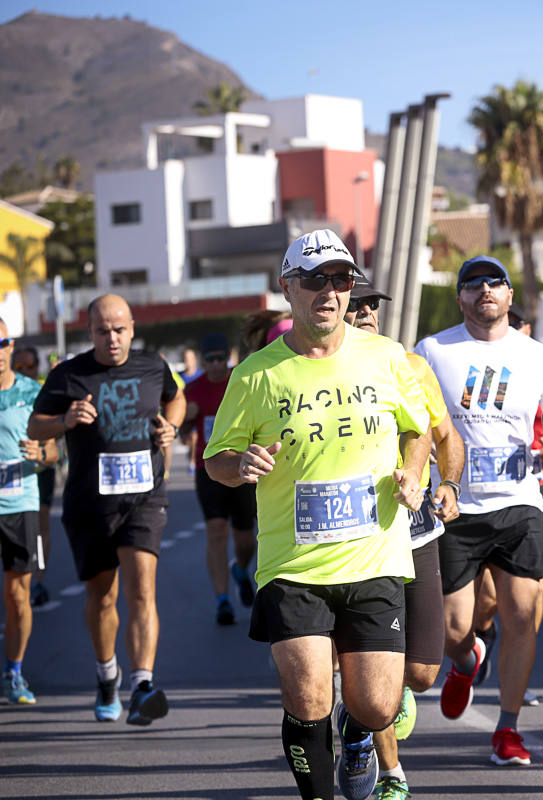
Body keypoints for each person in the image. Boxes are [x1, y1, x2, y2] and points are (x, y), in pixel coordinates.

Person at [204, 229, 432, 800]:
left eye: (341, 280)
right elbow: (216, 460)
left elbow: (419, 429)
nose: (330, 292)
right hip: (294, 564)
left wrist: (413, 471)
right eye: (315, 280)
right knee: (308, 699)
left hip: (374, 555)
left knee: (377, 704)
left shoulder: (385, 357)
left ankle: (358, 734)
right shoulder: (255, 374)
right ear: (288, 288)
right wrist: (242, 462)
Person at [413, 254, 543, 767]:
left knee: (523, 616)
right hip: (455, 507)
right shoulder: (432, 351)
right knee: (455, 630)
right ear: (460, 298)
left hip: (520, 504)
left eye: (494, 282)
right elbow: (415, 425)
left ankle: (508, 728)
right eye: (472, 285)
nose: (484, 291)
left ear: (509, 296)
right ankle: (466, 660)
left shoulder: (539, 355)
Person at [29, 293, 185, 725]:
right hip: (89, 504)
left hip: (144, 498)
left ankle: (141, 684)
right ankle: (106, 675)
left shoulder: (153, 365)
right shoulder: (69, 374)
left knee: (142, 591)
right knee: (103, 599)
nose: (112, 338)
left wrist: (170, 426)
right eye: (102, 331)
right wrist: (63, 421)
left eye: (119, 330)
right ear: (90, 332)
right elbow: (34, 424)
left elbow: (176, 398)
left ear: (132, 328)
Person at [342, 278, 466, 800]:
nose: (367, 311)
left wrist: (451, 484)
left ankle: (379, 705)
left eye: (373, 304)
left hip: (414, 531)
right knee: (374, 674)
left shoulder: (409, 365)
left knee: (419, 672)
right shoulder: (311, 370)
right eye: (358, 304)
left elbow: (444, 436)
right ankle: (386, 766)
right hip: (354, 539)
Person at [471, 305, 543, 706]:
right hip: (481, 494)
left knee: (533, 597)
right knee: (488, 597)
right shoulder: (482, 371)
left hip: (533, 492)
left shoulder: (539, 368)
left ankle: (517, 673)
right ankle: (482, 635)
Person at [183, 332, 257, 625]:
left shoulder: (240, 381)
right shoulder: (195, 389)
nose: (216, 365)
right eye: (210, 359)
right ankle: (222, 600)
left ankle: (240, 569)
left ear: (229, 356)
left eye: (220, 358)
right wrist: (188, 418)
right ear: (203, 360)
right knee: (215, 532)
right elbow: (182, 429)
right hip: (208, 469)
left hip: (240, 467)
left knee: (245, 539)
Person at [1, 327, 58, 705]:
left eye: (2, 342)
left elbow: (53, 451)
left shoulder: (31, 392)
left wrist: (41, 455)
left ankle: (15, 671)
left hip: (20, 505)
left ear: (11, 346)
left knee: (17, 596)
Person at [12, 346, 55, 609]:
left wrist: (41, 452)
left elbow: (52, 447)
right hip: (11, 474)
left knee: (40, 528)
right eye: (21, 368)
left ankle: (38, 579)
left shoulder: (43, 392)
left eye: (30, 367)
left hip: (39, 471)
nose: (27, 372)